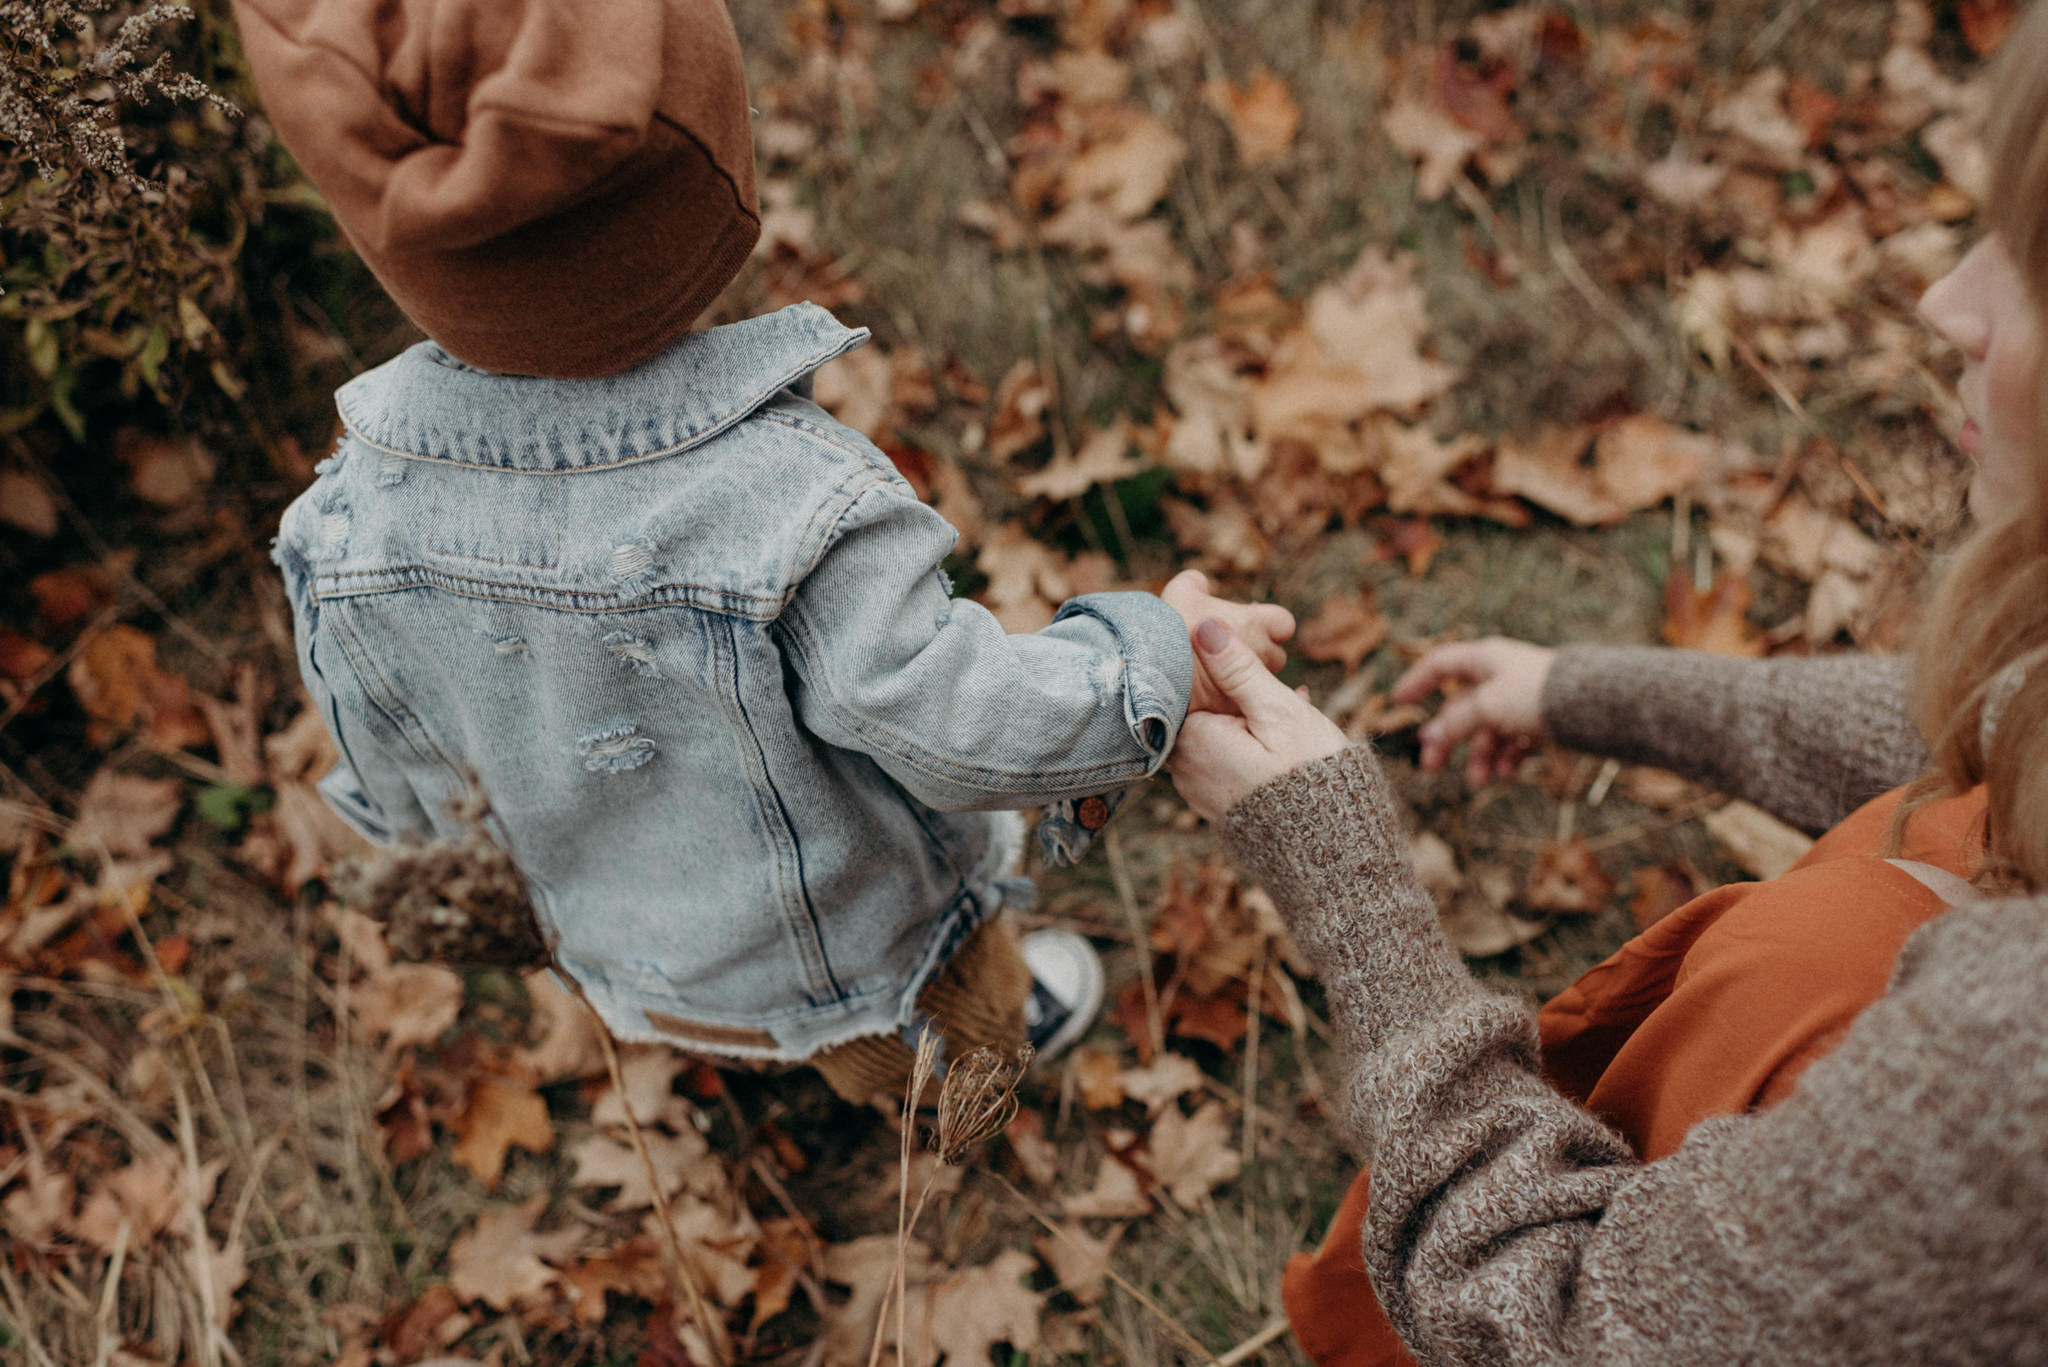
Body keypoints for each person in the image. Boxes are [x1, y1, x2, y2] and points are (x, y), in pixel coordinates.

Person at [1166, 4, 2048, 1361]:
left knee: (1798, 969)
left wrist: (1343, 878)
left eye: (2037, 270)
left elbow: (1554, 1318)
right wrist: (1584, 689)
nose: (1951, 301)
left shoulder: (2012, 1080)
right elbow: (1981, 739)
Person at [234, 0, 1292, 1104]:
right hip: (862, 952)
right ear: (707, 183)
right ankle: (944, 1084)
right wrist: (1153, 655)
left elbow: (401, 771)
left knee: (748, 1024)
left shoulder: (346, 515)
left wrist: (497, 900)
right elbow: (956, 727)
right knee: (925, 1040)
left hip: (623, 944)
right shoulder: (790, 508)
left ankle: (749, 1056)